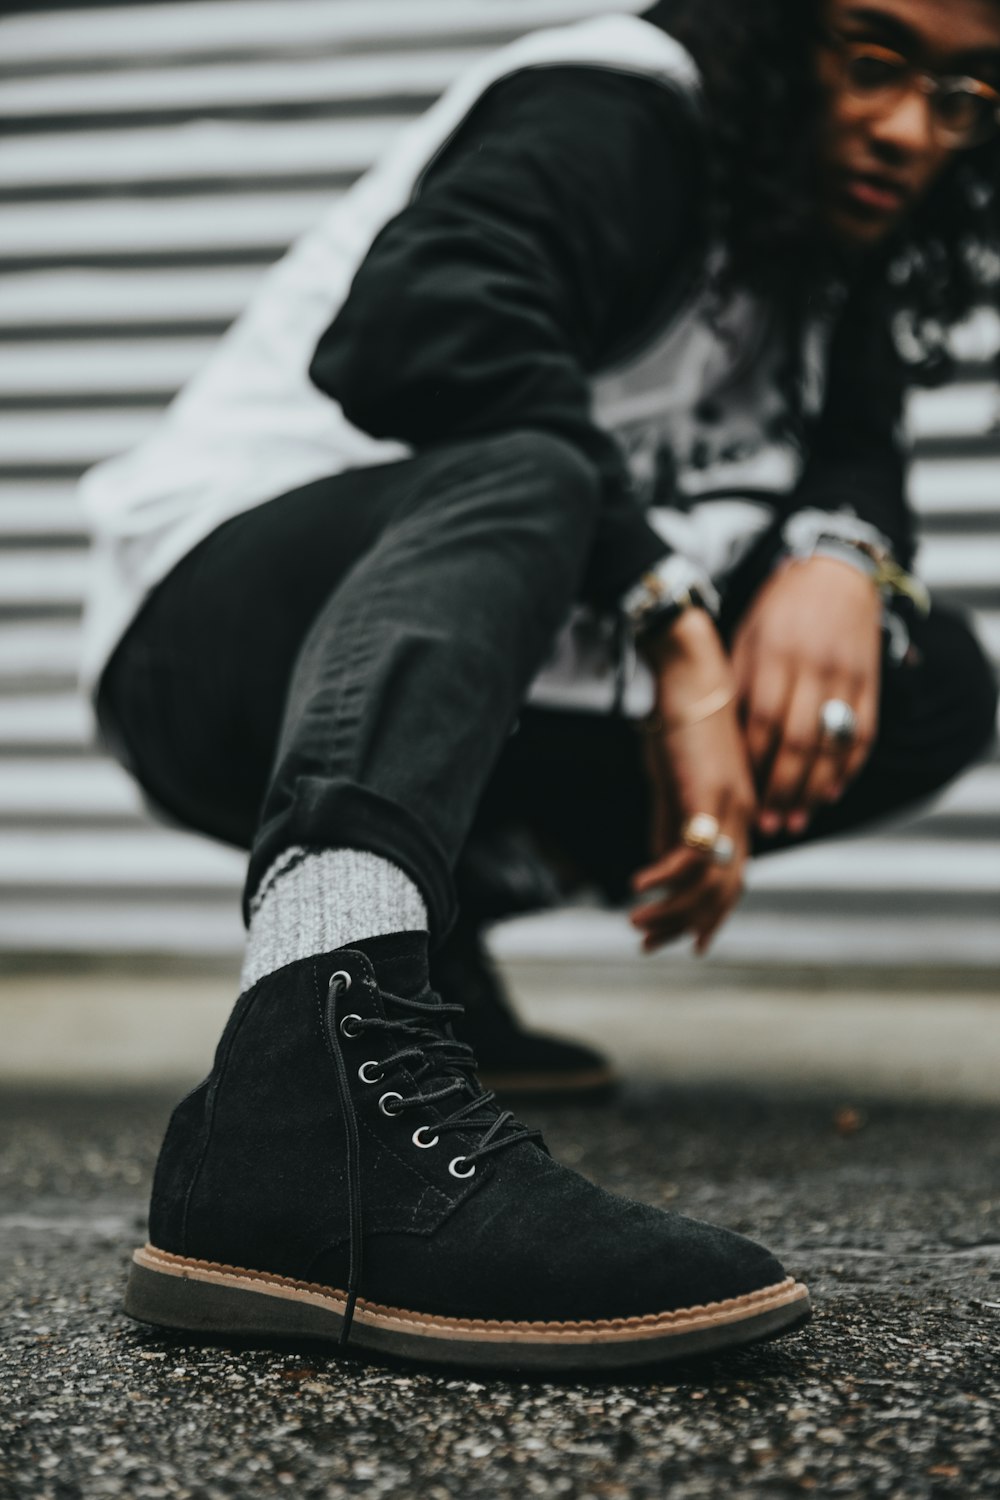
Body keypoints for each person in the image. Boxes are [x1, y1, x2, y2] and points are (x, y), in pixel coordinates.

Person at [78, 0, 999, 1370]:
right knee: (534, 472)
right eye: (873, 60)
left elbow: (859, 450)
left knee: (921, 677)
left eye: (968, 95)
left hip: (492, 647)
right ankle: (307, 1074)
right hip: (229, 626)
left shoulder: (827, 235)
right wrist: (676, 621)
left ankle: (433, 945)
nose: (912, 126)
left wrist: (842, 561)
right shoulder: (618, 105)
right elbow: (411, 326)